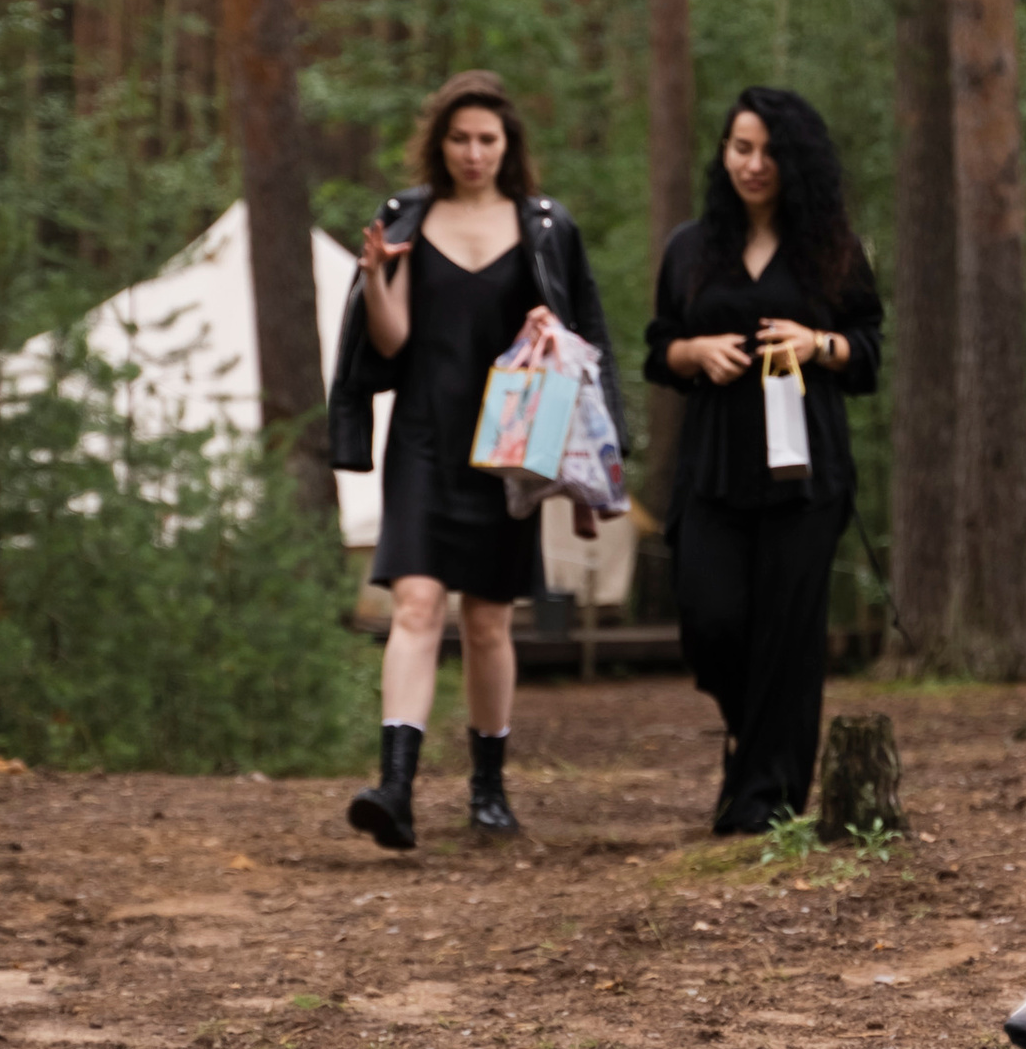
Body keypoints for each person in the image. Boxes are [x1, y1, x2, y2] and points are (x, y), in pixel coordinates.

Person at [327, 70, 620, 849]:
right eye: (459, 137)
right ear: (440, 142)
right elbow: (388, 343)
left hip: (507, 448)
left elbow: (585, 338)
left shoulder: (546, 227)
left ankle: (489, 790)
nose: (473, 152)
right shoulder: (407, 219)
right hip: (423, 436)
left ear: (508, 144)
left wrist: (548, 328)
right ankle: (395, 788)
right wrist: (374, 277)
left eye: (487, 138)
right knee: (417, 605)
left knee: (488, 621)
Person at [645, 86, 883, 837]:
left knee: (789, 632)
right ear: (723, 154)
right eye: (740, 147)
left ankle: (767, 802)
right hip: (712, 467)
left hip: (806, 471)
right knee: (711, 620)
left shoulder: (833, 247)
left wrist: (822, 345)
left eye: (769, 151)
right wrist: (694, 350)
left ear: (796, 160)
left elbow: (871, 352)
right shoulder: (690, 247)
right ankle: (752, 746)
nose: (753, 164)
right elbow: (657, 349)